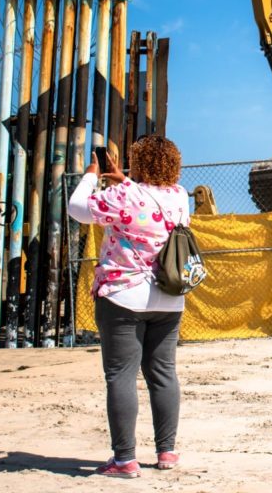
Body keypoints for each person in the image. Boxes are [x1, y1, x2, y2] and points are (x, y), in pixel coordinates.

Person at [68, 135, 188, 478]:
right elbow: (145, 200)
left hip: (123, 295)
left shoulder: (124, 195)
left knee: (121, 376)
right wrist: (123, 179)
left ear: (139, 163)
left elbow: (78, 209)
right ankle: (167, 451)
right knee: (163, 373)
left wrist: (92, 174)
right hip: (169, 297)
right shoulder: (179, 196)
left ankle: (124, 460)